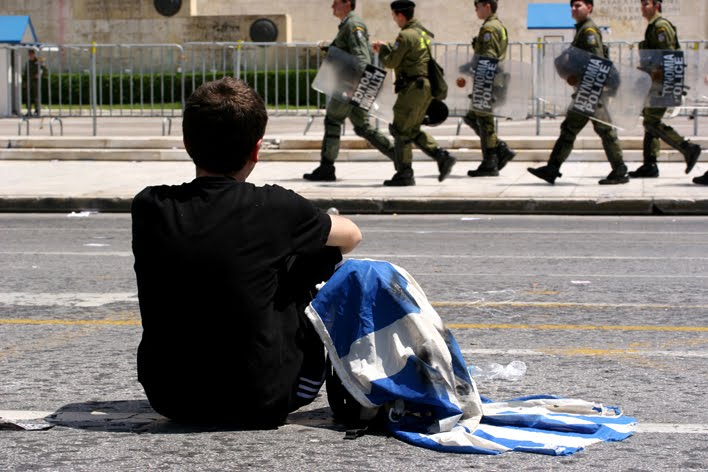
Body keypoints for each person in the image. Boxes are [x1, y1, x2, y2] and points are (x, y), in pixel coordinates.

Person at [131, 77, 363, 427]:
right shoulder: (275, 207)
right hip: (264, 398)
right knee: (322, 253)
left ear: (187, 143)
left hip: (170, 397)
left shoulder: (150, 206)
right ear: (256, 149)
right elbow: (352, 236)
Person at [528, 0, 629, 185]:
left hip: (590, 91)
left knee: (597, 130)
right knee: (583, 129)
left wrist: (580, 78)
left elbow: (596, 62)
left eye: (578, 5)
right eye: (572, 6)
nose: (574, 9)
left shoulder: (588, 31)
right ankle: (553, 168)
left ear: (589, 8)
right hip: (588, 90)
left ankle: (619, 169)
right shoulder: (582, 29)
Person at [304, 0, 396, 182]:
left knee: (333, 120)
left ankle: (326, 168)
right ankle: (400, 158)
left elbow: (361, 56)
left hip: (350, 85)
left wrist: (357, 84)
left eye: (336, 3)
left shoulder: (354, 25)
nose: (332, 6)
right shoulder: (348, 24)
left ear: (347, 3)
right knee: (363, 127)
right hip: (354, 84)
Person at [371, 0, 457, 186]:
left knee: (400, 129)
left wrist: (382, 50)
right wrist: (389, 46)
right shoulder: (421, 33)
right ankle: (441, 156)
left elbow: (391, 62)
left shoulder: (405, 35)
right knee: (412, 129)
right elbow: (410, 54)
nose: (394, 19)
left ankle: (405, 173)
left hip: (412, 88)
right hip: (424, 87)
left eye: (394, 16)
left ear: (400, 15)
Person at [628, 0, 701, 179]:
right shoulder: (653, 26)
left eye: (646, 4)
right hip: (655, 82)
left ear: (656, 6)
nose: (642, 7)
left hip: (663, 82)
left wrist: (658, 73)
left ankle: (687, 148)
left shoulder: (661, 26)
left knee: (651, 122)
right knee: (649, 120)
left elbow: (670, 56)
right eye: (642, 4)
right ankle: (650, 164)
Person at [464, 0, 517, 177]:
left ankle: (491, 162)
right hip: (492, 79)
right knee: (472, 117)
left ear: (487, 6)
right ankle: (500, 150)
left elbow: (488, 57)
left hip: (487, 80)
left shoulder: (489, 28)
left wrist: (481, 82)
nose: (475, 9)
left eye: (477, 5)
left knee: (485, 122)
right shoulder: (497, 25)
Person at [23, 49, 46, 117]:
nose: (30, 55)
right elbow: (25, 73)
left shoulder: (38, 61)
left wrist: (39, 74)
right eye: (29, 54)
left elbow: (44, 69)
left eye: (31, 54)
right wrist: (24, 82)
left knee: (36, 96)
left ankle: (37, 110)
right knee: (28, 97)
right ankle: (29, 111)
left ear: (34, 54)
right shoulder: (28, 62)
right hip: (29, 82)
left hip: (36, 82)